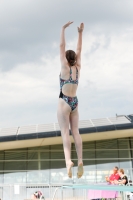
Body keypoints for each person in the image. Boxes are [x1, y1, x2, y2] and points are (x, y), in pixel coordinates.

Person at [57, 21, 84, 178]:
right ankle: (80, 159)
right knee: (76, 131)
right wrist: (80, 33)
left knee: (64, 132)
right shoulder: (77, 68)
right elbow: (79, 49)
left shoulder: (65, 67)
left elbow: (61, 46)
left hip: (64, 101)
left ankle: (68, 161)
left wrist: (63, 28)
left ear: (66, 58)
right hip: (75, 102)